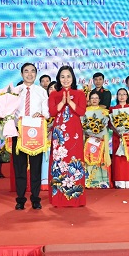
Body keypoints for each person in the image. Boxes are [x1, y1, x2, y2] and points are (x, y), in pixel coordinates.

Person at [48, 66, 87, 207]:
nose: (65, 79)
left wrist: (70, 102)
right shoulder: (54, 94)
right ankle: (59, 198)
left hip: (74, 131)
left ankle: (75, 197)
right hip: (59, 133)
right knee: (59, 162)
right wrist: (62, 102)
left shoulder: (79, 93)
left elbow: (82, 111)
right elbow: (52, 112)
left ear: (73, 78)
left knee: (74, 160)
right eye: (62, 77)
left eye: (68, 76)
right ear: (58, 79)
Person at [12, 63, 49, 209]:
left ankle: (35, 198)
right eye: (26, 71)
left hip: (35, 133)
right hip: (19, 132)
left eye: (32, 71)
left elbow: (47, 112)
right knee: (20, 167)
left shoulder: (41, 91)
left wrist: (42, 115)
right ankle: (20, 200)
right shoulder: (15, 91)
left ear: (36, 74)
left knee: (36, 167)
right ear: (21, 74)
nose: (29, 74)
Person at [110, 88, 129, 189]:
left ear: (127, 96)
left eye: (124, 94)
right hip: (117, 137)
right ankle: (119, 180)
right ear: (117, 96)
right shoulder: (112, 109)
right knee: (118, 159)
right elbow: (110, 124)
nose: (122, 96)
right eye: (119, 94)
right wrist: (118, 131)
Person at [83, 92, 111, 188]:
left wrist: (100, 135)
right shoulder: (85, 111)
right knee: (90, 156)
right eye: (92, 98)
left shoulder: (104, 112)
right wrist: (88, 134)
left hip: (101, 139)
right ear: (89, 100)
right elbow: (83, 126)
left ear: (99, 100)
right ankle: (90, 182)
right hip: (89, 139)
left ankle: (101, 182)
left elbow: (105, 127)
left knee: (101, 158)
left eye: (96, 98)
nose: (94, 100)